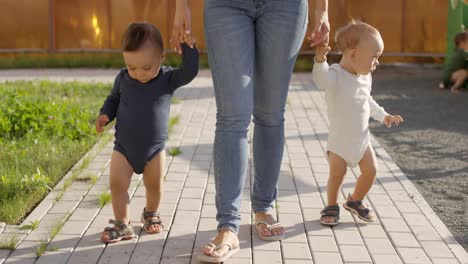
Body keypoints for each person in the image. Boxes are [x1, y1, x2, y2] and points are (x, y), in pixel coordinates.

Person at [172, 0, 330, 262]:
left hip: (286, 7)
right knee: (233, 115)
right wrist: (181, 5)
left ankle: (264, 208)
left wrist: (322, 9)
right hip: (226, 6)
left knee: (270, 113)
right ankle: (228, 226)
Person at [96, 22, 198, 243]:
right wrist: (105, 115)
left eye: (146, 67)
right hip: (123, 147)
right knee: (117, 184)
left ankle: (150, 213)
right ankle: (122, 223)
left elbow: (190, 72)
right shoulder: (123, 78)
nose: (139, 73)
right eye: (132, 67)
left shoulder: (167, 79)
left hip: (154, 150)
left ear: (161, 57)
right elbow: (113, 100)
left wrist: (188, 47)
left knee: (154, 186)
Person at [312, 21, 404, 226]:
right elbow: (321, 81)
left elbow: (367, 101)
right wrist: (320, 60)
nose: (377, 63)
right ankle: (331, 206)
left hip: (362, 139)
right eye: (374, 57)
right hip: (340, 141)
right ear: (353, 54)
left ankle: (355, 200)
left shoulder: (365, 77)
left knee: (371, 170)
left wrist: (383, 115)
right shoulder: (335, 75)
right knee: (337, 174)